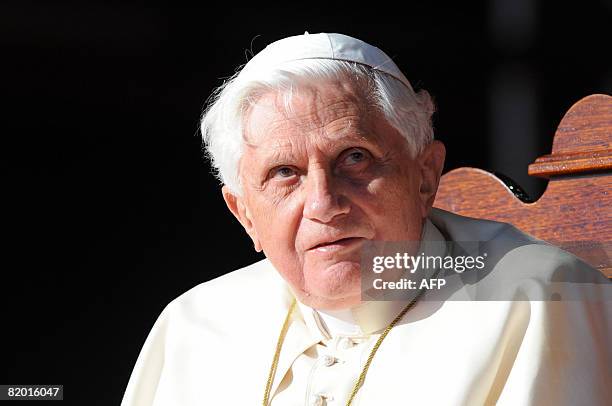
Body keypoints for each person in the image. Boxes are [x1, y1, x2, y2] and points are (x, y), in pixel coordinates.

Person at [121, 32, 611, 405]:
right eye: (285, 172)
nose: (323, 203)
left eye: (354, 158)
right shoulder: (193, 326)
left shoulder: (540, 299)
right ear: (244, 214)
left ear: (425, 176)